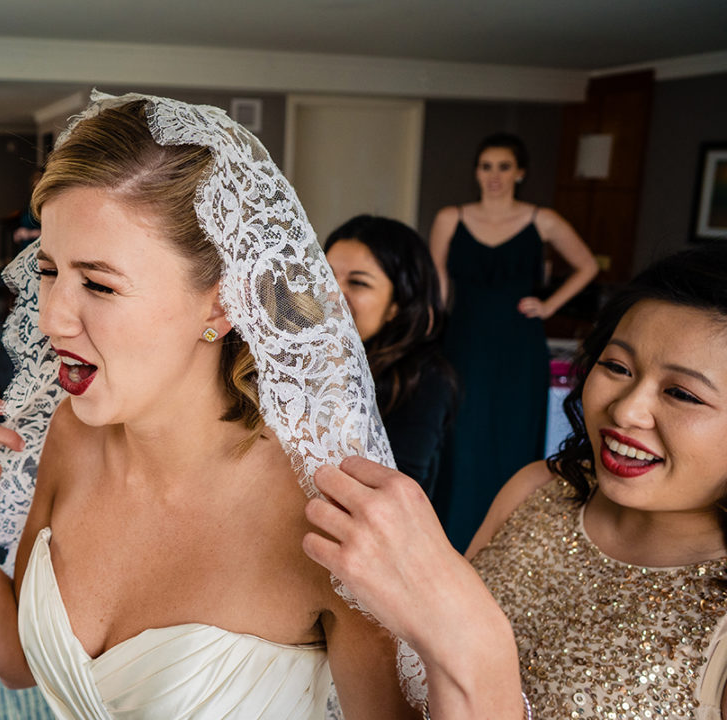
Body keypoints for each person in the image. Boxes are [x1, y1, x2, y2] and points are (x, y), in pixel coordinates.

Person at [0, 92, 507, 719]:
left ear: (221, 304)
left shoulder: (321, 516)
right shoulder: (73, 436)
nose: (52, 316)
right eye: (49, 270)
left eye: (100, 283)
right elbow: (17, 657)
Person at [304, 242, 727, 719]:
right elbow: (412, 680)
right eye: (617, 367)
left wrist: (479, 656)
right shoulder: (538, 490)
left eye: (681, 394)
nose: (626, 409)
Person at [428, 132, 599, 551]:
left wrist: (549, 304)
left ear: (519, 172)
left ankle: (505, 543)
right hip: (464, 341)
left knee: (512, 441)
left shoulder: (542, 219)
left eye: (504, 167)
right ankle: (451, 539)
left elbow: (587, 266)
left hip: (519, 347)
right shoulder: (450, 217)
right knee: (460, 440)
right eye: (486, 166)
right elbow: (438, 288)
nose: (494, 176)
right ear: (477, 172)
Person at [324, 214, 455, 501]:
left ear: (397, 305)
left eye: (358, 283)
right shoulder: (303, 358)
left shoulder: (426, 380)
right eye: (326, 275)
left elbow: (396, 489)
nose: (333, 293)